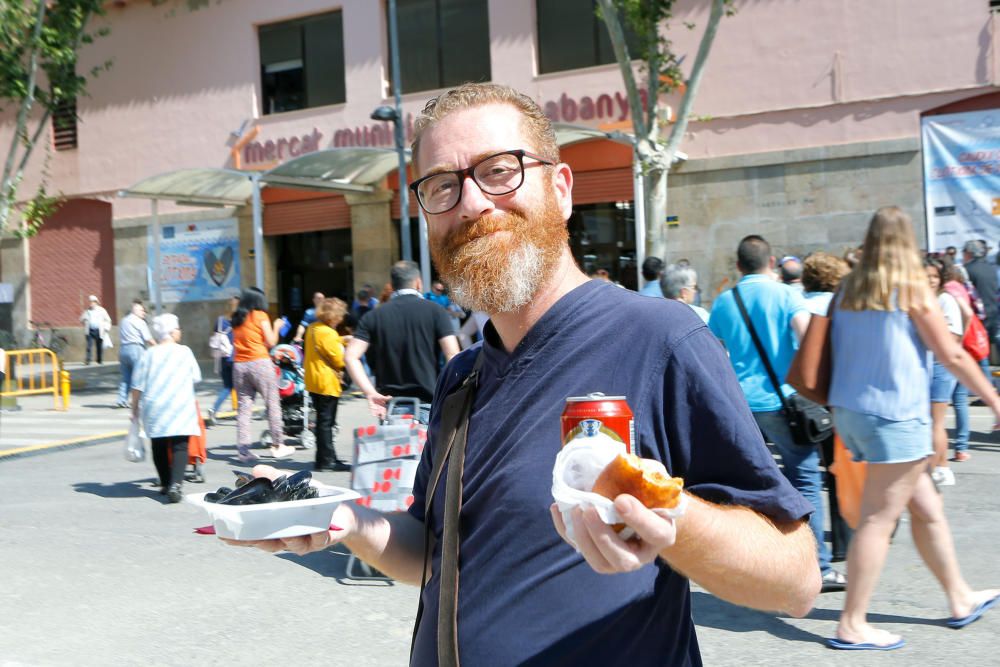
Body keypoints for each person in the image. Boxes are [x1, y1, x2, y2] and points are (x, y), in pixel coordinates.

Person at [225, 83, 819, 666]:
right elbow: (436, 557)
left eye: (500, 170)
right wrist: (346, 518)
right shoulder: (463, 374)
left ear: (560, 189)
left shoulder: (660, 339)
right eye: (442, 185)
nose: (472, 203)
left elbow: (793, 581)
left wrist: (673, 522)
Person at [827, 206, 1000, 650]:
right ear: (907, 242)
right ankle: (852, 622)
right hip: (895, 416)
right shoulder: (910, 289)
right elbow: (954, 355)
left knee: (927, 508)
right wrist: (995, 399)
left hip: (853, 412)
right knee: (878, 520)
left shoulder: (848, 287)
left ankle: (959, 596)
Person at [708, 235, 846, 593]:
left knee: (751, 486)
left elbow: (715, 352)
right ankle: (819, 566)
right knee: (804, 478)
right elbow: (806, 336)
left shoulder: (724, 302)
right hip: (784, 402)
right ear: (771, 263)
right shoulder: (785, 295)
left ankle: (756, 564)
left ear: (738, 266)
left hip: (742, 405)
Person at [345, 261, 459, 418]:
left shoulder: (373, 316)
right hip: (428, 404)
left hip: (390, 407)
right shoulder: (436, 311)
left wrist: (370, 392)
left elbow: (351, 356)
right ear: (418, 283)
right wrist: (450, 390)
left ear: (392, 285)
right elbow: (453, 354)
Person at [800, 251, 852, 561]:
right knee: (839, 471)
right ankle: (844, 542)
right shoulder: (840, 306)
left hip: (802, 397)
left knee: (810, 473)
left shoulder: (800, 304)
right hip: (834, 394)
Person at [129, 313, 202, 504]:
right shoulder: (184, 351)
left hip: (155, 406)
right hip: (180, 403)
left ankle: (165, 483)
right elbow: (196, 377)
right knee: (180, 445)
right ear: (170, 331)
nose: (180, 332)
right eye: (178, 328)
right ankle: (176, 485)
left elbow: (137, 385)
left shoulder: (148, 354)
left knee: (159, 445)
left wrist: (134, 409)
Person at [231, 287, 295, 463]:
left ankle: (243, 451)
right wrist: (277, 326)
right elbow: (271, 341)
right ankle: (278, 445)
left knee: (244, 409)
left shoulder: (236, 317)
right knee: (272, 403)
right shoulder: (260, 315)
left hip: (239, 365)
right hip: (259, 362)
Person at [925, 258, 964, 487]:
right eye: (926, 276)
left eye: (934, 276)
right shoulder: (917, 299)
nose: (930, 280)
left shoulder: (945, 299)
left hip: (940, 365)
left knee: (936, 422)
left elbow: (954, 336)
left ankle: (941, 467)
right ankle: (933, 467)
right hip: (922, 366)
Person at [304, 297, 350, 472]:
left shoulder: (312, 328)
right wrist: (346, 348)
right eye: (339, 315)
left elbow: (324, 346)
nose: (341, 319)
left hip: (314, 380)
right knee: (327, 423)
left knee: (322, 421)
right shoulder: (329, 333)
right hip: (327, 381)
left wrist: (342, 340)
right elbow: (338, 360)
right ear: (333, 317)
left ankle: (322, 458)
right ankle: (328, 461)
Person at [943, 264, 976, 462]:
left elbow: (968, 313)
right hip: (960, 349)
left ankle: (941, 455)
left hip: (949, 351)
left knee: (939, 406)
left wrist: (958, 338)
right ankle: (961, 447)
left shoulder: (947, 290)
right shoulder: (961, 287)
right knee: (959, 400)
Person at [207, 295, 240, 425]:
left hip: (222, 357)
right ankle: (242, 413)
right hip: (234, 357)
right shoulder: (238, 320)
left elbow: (215, 335)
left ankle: (213, 409)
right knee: (241, 387)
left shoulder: (219, 320)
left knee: (227, 386)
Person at [116, 300, 155, 408]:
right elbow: (148, 338)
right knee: (138, 376)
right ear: (136, 310)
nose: (144, 313)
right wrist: (158, 347)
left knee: (125, 377)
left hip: (123, 349)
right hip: (136, 349)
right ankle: (139, 401)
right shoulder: (139, 321)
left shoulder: (123, 321)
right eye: (143, 311)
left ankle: (121, 399)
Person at [963, 239, 999, 355]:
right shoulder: (992, 269)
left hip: (978, 316)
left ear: (969, 253)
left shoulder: (966, 270)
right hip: (994, 313)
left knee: (980, 355)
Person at [79, 295, 111, 365]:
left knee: (99, 346)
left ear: (96, 303)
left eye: (93, 302)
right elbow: (81, 319)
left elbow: (108, 320)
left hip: (99, 330)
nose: (91, 303)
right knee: (89, 346)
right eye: (90, 302)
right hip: (90, 330)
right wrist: (85, 320)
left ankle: (99, 360)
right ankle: (88, 360)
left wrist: (106, 328)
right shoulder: (87, 311)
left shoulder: (102, 310)